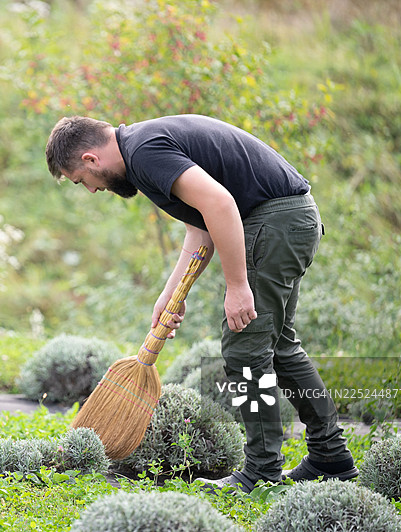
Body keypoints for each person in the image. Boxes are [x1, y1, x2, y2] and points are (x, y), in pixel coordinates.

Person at [45, 114, 357, 493]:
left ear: (91, 159)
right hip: (288, 219)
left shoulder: (144, 152)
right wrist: (170, 293)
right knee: (279, 349)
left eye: (82, 181)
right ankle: (331, 457)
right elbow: (202, 225)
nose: (91, 190)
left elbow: (222, 205)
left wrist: (237, 285)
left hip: (274, 223)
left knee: (246, 350)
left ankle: (261, 472)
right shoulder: (142, 147)